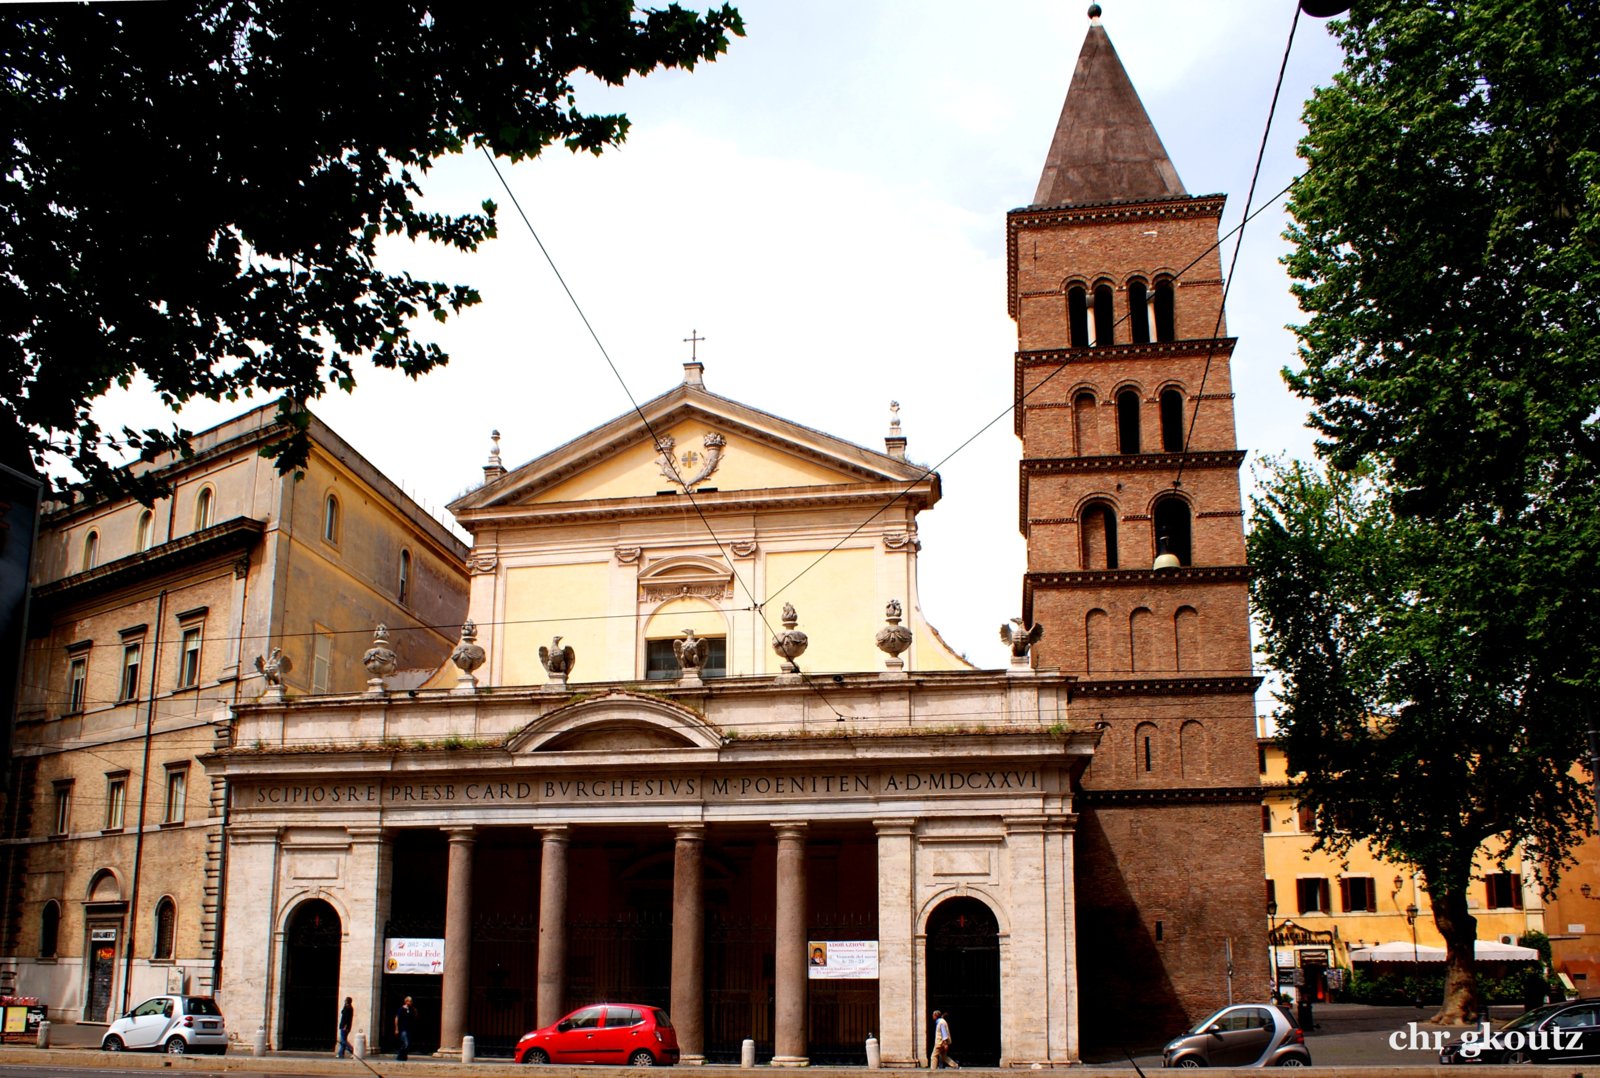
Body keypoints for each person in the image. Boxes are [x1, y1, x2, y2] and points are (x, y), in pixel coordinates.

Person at [394, 996, 415, 1061]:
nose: (411, 1002)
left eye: (411, 1001)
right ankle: (400, 1056)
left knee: (407, 1044)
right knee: (406, 1043)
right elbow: (397, 1018)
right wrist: (396, 1028)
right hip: (403, 1029)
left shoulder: (411, 1009)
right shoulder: (401, 1009)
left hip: (409, 1029)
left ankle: (404, 1056)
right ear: (406, 1001)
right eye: (410, 1001)